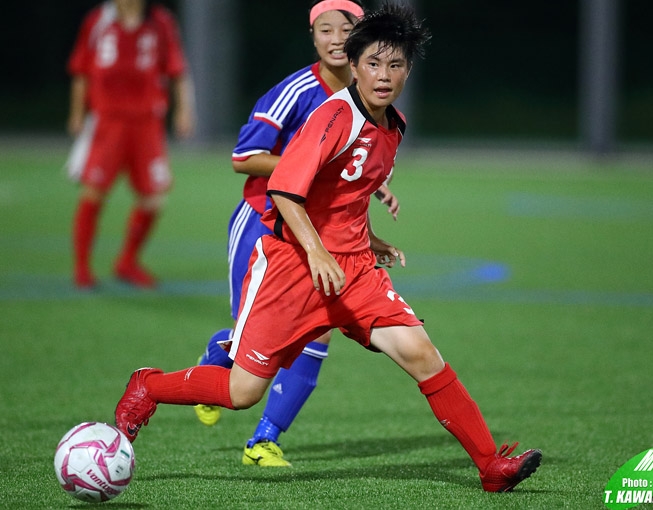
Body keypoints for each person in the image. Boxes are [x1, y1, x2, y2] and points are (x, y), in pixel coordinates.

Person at [115, 2, 542, 493]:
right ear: (355, 65)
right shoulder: (334, 114)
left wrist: (369, 239)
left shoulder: (393, 125)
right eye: (373, 64)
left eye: (395, 64)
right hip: (292, 269)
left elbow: (346, 194)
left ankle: (491, 466)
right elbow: (284, 190)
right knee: (242, 391)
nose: (384, 75)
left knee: (421, 354)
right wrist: (318, 252)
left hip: (355, 272)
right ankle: (148, 386)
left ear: (407, 69)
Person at [193, 0, 400, 467]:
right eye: (323, 30)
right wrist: (308, 165)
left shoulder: (366, 96)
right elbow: (243, 158)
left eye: (344, 29)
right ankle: (215, 359)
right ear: (312, 38)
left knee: (316, 332)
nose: (334, 38)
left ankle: (264, 439)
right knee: (259, 341)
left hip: (316, 235)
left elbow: (347, 174)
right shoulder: (297, 90)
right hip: (262, 223)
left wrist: (374, 187)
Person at [66, 0, 195, 289]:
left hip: (147, 122)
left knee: (154, 198)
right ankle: (82, 267)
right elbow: (81, 70)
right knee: (94, 191)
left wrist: (185, 110)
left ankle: (126, 261)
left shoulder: (161, 21)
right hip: (108, 121)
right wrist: (77, 113)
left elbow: (177, 69)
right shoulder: (98, 20)